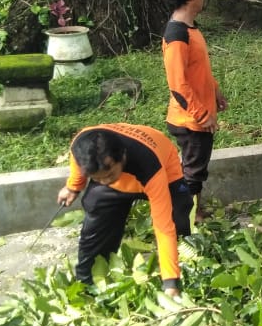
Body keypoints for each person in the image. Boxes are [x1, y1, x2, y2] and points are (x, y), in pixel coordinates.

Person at [56, 124, 194, 296]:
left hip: (163, 168)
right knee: (96, 211)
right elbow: (78, 164)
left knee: (177, 217)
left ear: (122, 157)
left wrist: (170, 283)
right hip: (120, 179)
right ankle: (88, 284)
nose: (105, 181)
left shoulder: (149, 166)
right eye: (98, 178)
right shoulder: (82, 145)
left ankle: (184, 268)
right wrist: (73, 187)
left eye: (109, 175)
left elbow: (163, 227)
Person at [162, 0, 227, 219]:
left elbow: (198, 70)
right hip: (189, 120)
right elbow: (178, 86)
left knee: (195, 168)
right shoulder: (177, 35)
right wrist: (202, 114)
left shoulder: (190, 29)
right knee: (193, 171)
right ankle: (187, 217)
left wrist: (215, 91)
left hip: (197, 114)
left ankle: (192, 210)